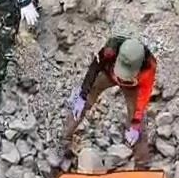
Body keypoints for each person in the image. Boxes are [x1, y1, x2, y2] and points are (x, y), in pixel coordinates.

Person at [63, 37, 156, 169]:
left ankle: (142, 164)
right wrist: (82, 96)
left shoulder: (149, 66)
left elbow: (143, 97)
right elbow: (94, 69)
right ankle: (64, 140)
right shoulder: (109, 51)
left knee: (136, 119)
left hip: (132, 86)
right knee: (86, 99)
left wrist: (136, 123)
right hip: (108, 74)